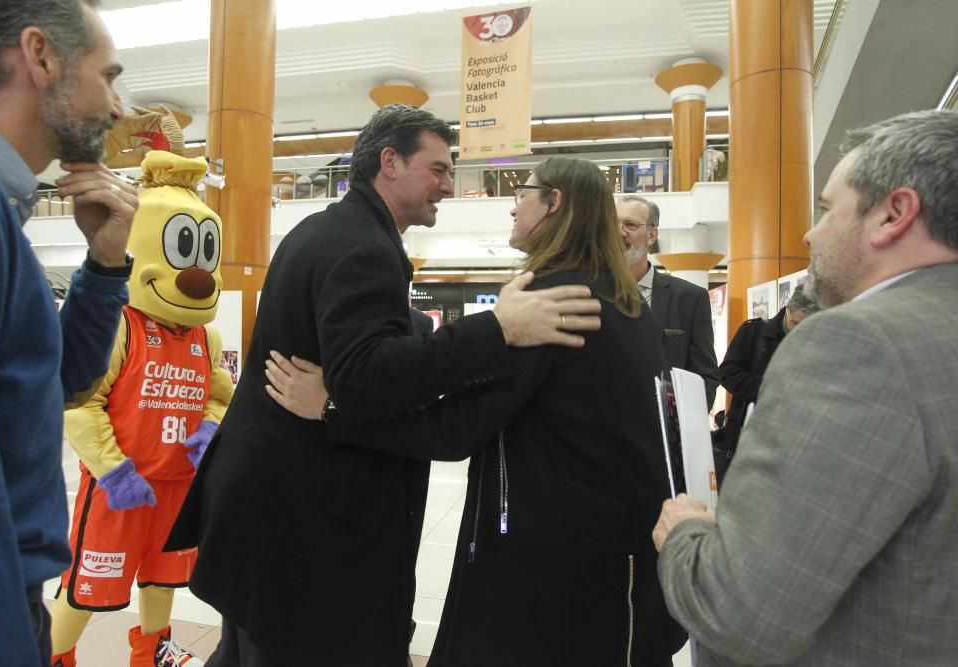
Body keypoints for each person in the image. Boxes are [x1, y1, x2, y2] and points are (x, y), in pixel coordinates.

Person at [164, 105, 602, 666]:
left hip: (267, 515)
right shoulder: (364, 246)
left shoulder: (325, 229)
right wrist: (497, 327)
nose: (449, 185)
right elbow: (368, 377)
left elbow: (346, 354)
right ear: (389, 162)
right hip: (305, 523)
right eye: (439, 169)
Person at [270, 157, 688, 667]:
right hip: (616, 558)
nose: (514, 205)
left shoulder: (554, 300)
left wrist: (333, 407)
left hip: (553, 564)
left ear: (553, 203)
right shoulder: (624, 301)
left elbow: (456, 430)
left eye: (524, 192)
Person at [653, 109, 958, 666]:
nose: (809, 233)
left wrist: (684, 535)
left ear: (894, 214)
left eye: (825, 209)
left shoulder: (856, 344)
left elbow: (740, 613)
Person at [0, 1, 137, 664]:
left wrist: (105, 263)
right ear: (40, 56)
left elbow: (54, 382)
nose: (117, 107)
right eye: (108, 77)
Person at [50, 152, 234, 667]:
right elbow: (80, 405)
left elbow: (220, 394)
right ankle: (53, 652)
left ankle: (153, 650)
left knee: (163, 579)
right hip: (119, 490)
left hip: (176, 487)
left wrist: (208, 432)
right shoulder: (120, 326)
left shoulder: (206, 337)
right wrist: (113, 469)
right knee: (88, 586)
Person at [617, 195, 719, 406]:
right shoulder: (591, 293)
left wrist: (678, 421)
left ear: (652, 234)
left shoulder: (689, 299)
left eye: (630, 225)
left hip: (663, 430)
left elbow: (705, 378)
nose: (619, 232)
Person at [715, 285, 819, 480]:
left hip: (793, 440)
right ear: (787, 308)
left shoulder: (818, 342)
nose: (801, 330)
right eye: (796, 323)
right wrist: (770, 387)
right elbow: (727, 373)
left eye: (808, 325)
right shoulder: (753, 332)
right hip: (745, 436)